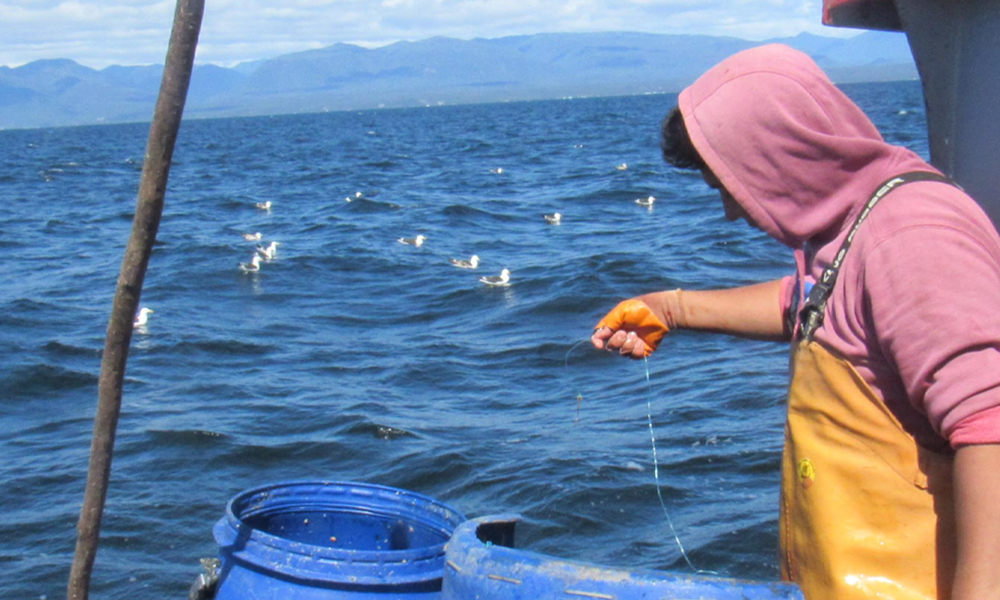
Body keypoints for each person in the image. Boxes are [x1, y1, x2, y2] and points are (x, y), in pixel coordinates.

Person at [591, 44, 1000, 600]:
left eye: (728, 186)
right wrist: (671, 309)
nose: (731, 212)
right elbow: (813, 305)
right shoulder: (855, 223)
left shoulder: (911, 235)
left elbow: (988, 426)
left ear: (777, 157)